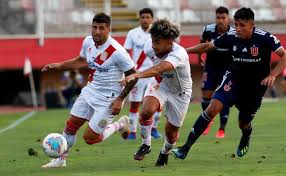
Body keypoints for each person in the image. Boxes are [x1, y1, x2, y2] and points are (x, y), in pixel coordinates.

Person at [171, 7, 286, 160]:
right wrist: (182, 51)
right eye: (236, 24)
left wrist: (273, 74)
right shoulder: (230, 36)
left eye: (242, 25)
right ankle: (184, 148)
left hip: (255, 88)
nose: (237, 29)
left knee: (243, 123)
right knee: (211, 109)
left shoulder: (264, 37)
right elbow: (206, 46)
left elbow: (284, 55)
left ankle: (246, 136)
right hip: (233, 80)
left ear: (252, 25)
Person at [41, 13, 138, 168]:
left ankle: (120, 124)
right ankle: (60, 160)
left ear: (109, 29)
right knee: (71, 126)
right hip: (90, 90)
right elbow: (81, 60)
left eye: (101, 28)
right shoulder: (88, 42)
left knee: (90, 138)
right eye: (94, 27)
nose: (97, 31)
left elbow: (133, 76)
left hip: (109, 99)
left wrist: (120, 100)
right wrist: (59, 65)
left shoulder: (118, 52)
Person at [122, 19, 192, 166]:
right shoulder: (149, 46)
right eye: (153, 40)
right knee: (146, 111)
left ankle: (164, 152)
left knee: (171, 132)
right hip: (161, 84)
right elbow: (156, 70)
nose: (153, 45)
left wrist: (136, 74)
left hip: (181, 93)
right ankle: (146, 144)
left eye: (157, 42)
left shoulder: (179, 54)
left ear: (169, 41)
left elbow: (160, 68)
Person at [124, 8, 162, 139]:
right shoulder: (132, 33)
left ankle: (154, 129)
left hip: (155, 73)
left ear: (152, 19)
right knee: (135, 104)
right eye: (143, 17)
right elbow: (126, 52)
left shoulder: (158, 33)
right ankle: (133, 132)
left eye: (148, 17)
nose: (145, 20)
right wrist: (128, 70)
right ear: (139, 19)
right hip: (138, 74)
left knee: (157, 103)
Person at [198, 6, 234, 138]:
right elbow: (202, 43)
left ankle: (222, 129)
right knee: (206, 94)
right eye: (218, 17)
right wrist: (199, 57)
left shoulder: (234, 32)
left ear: (228, 18)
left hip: (226, 68)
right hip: (211, 66)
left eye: (223, 18)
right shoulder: (208, 29)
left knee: (223, 97)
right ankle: (208, 121)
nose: (220, 20)